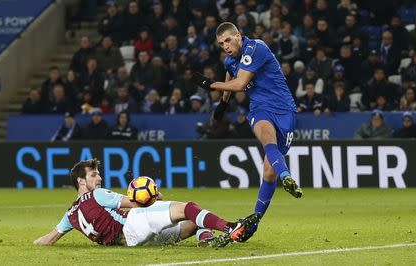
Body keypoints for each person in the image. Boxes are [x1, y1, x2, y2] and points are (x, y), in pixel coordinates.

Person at [191, 22, 303, 242]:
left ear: (239, 36)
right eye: (221, 43)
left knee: (269, 172)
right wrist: (222, 105)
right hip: (260, 109)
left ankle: (255, 220)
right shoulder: (231, 60)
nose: (225, 46)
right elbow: (229, 77)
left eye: (228, 40)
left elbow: (240, 83)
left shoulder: (256, 47)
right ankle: (287, 177)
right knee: (266, 138)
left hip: (284, 110)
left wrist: (210, 84)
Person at [34, 159, 260, 247]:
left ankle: (207, 240)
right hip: (133, 225)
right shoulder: (97, 194)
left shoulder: (70, 214)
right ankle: (232, 228)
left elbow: (48, 239)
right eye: (94, 175)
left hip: (132, 242)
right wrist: (153, 197)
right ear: (81, 181)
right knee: (189, 207)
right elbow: (134, 203)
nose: (99, 178)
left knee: (193, 222)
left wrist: (32, 244)